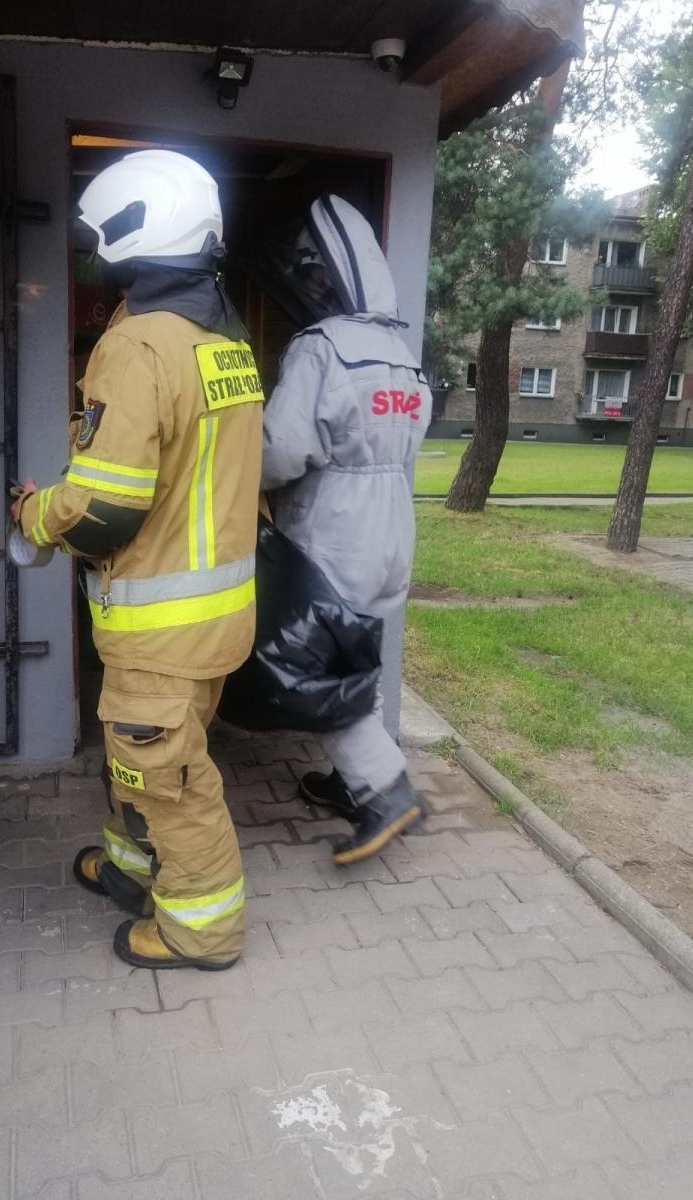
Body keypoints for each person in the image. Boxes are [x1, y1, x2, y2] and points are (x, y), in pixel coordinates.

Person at [12, 150, 263, 970]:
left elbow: (106, 510)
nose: (92, 249)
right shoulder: (224, 340)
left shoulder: (137, 346)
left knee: (171, 781)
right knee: (147, 760)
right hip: (215, 622)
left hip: (159, 629)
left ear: (133, 229)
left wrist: (34, 513)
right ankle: (131, 873)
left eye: (99, 233)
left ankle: (205, 933)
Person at [261, 194, 433, 865]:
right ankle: (347, 779)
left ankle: (385, 791)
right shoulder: (400, 351)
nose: (307, 284)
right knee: (366, 654)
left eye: (312, 273)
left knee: (319, 665)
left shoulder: (319, 349)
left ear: (330, 275)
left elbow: (280, 452)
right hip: (394, 521)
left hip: (336, 525)